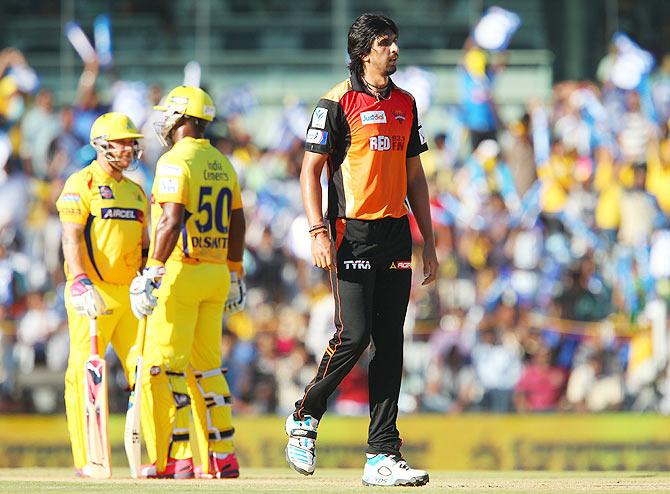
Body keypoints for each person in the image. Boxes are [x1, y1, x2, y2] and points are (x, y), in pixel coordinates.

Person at [285, 13, 437, 487]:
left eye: (395, 42)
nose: (394, 50)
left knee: (391, 342)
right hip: (351, 233)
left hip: (394, 234)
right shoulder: (335, 101)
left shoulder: (406, 103)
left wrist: (428, 240)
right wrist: (317, 231)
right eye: (385, 43)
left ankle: (382, 455)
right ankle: (305, 417)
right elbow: (310, 171)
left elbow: (415, 176)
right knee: (355, 336)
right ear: (364, 51)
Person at [130, 85, 246, 479]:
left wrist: (153, 268)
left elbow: (171, 219)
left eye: (170, 115)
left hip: (181, 269)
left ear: (184, 119)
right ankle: (221, 457)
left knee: (163, 367)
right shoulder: (224, 163)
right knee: (209, 369)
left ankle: (176, 458)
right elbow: (238, 220)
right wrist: (235, 270)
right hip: (216, 273)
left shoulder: (174, 161)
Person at [55, 112, 148, 476]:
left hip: (130, 296)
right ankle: (88, 460)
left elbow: (143, 245)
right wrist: (79, 279)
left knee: (145, 372)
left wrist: (146, 279)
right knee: (84, 374)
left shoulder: (137, 191)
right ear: (101, 145)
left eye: (130, 142)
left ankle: (148, 460)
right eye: (122, 142)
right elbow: (71, 236)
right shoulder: (82, 183)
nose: (128, 148)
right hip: (91, 294)